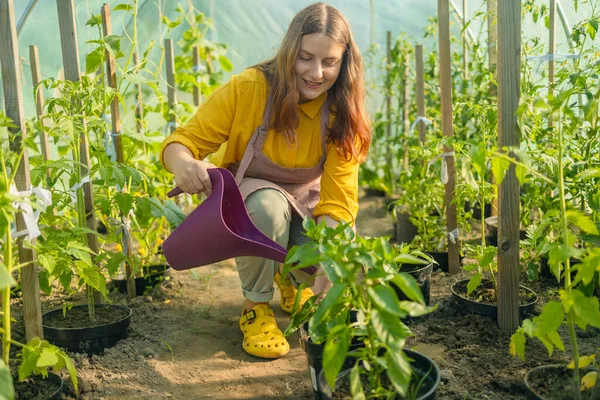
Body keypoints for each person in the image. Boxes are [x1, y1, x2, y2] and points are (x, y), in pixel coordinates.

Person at [161, 2, 370, 359]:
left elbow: (338, 199)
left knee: (340, 246)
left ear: (343, 61)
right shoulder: (250, 89)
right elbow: (184, 141)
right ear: (290, 51)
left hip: (307, 203)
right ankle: (255, 307)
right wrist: (182, 162)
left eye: (329, 62)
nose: (316, 73)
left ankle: (289, 278)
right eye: (305, 58)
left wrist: (329, 261)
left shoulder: (342, 109)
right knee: (268, 206)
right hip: (251, 204)